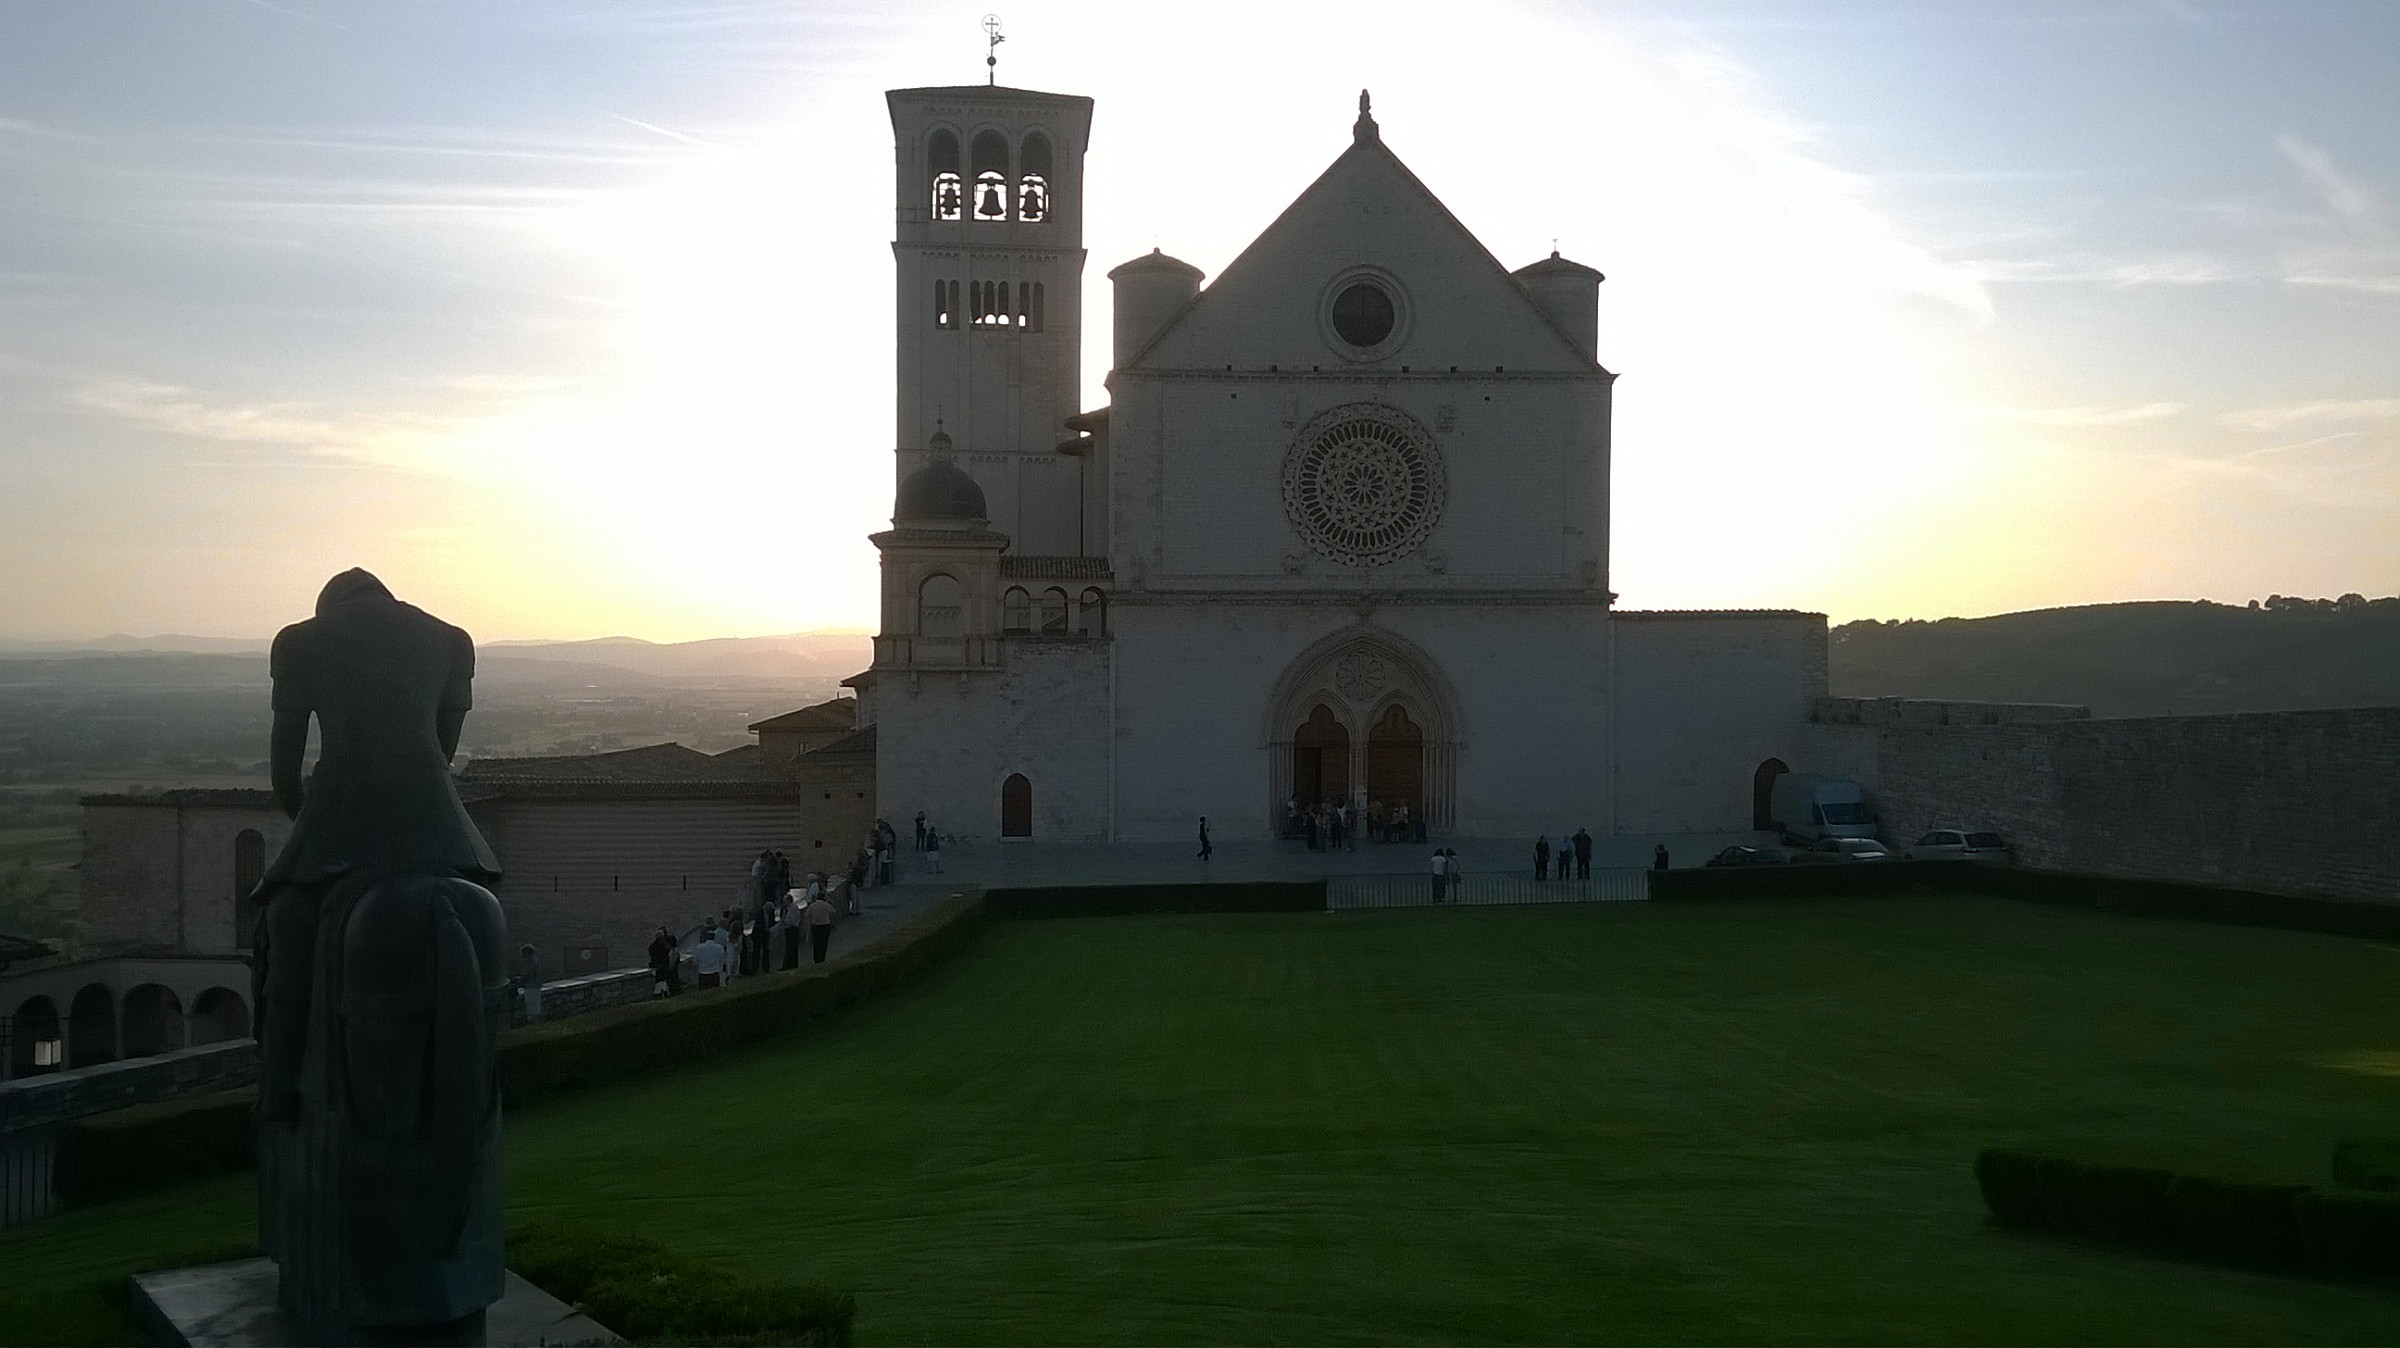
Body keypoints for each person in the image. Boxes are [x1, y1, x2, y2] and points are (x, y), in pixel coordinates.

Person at [806, 885, 836, 964]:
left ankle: (816, 959)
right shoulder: (826, 905)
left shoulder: (812, 906)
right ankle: (822, 958)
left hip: (815, 926)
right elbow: (833, 911)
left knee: (816, 943)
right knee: (824, 943)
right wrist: (830, 902)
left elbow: (807, 915)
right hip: (825, 925)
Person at [513, 943, 542, 1019]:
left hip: (532, 986)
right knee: (534, 1007)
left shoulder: (532, 961)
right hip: (534, 986)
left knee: (532, 1008)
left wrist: (519, 981)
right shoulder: (534, 960)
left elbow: (530, 975)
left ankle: (532, 1021)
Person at [692, 925, 726, 990]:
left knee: (703, 993)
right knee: (715, 992)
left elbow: (695, 961)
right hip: (714, 973)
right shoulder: (719, 948)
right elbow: (721, 961)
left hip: (703, 973)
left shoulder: (699, 948)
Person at [781, 888, 804, 970]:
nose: (783, 903)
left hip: (792, 929)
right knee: (789, 948)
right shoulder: (787, 909)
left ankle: (792, 964)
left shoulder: (793, 908)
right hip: (789, 929)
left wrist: (784, 921)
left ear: (789, 901)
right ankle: (789, 964)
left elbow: (792, 920)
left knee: (792, 948)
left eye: (785, 901)